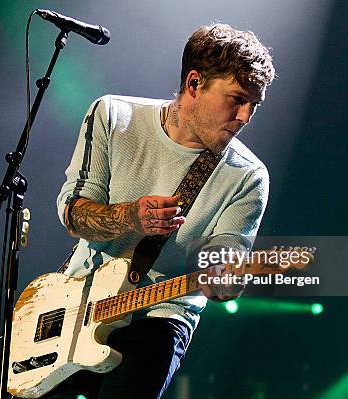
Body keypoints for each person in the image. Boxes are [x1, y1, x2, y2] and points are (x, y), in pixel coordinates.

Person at [49, 23, 275, 399]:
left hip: (160, 314)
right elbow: (73, 214)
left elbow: (226, 255)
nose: (246, 116)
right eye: (237, 98)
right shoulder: (113, 116)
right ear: (194, 84)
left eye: (255, 104)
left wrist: (225, 274)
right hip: (75, 302)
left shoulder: (248, 176)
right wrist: (131, 217)